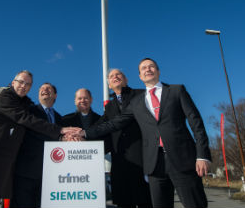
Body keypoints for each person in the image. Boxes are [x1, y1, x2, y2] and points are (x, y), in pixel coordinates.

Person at [82, 58, 211, 208]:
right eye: (143, 68)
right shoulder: (137, 102)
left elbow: (197, 123)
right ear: (140, 76)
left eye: (151, 67)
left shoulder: (177, 90)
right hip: (154, 166)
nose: (147, 69)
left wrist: (202, 155)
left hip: (182, 160)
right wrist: (84, 133)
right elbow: (114, 123)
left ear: (158, 71)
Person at [0, 70, 78, 208]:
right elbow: (25, 118)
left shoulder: (23, 103)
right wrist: (59, 131)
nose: (24, 86)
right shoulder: (5, 98)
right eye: (21, 82)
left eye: (28, 84)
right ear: (13, 83)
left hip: (2, 167)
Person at [101, 69, 152, 208]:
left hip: (143, 161)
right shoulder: (109, 107)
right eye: (111, 76)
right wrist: (79, 134)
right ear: (109, 85)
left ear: (126, 80)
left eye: (119, 74)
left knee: (146, 201)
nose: (115, 77)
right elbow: (100, 127)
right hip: (120, 165)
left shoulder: (141, 94)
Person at [10, 82, 63, 208]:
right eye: (41, 88)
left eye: (48, 88)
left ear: (55, 95)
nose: (44, 90)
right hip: (26, 174)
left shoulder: (61, 119)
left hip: (51, 176)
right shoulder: (29, 111)